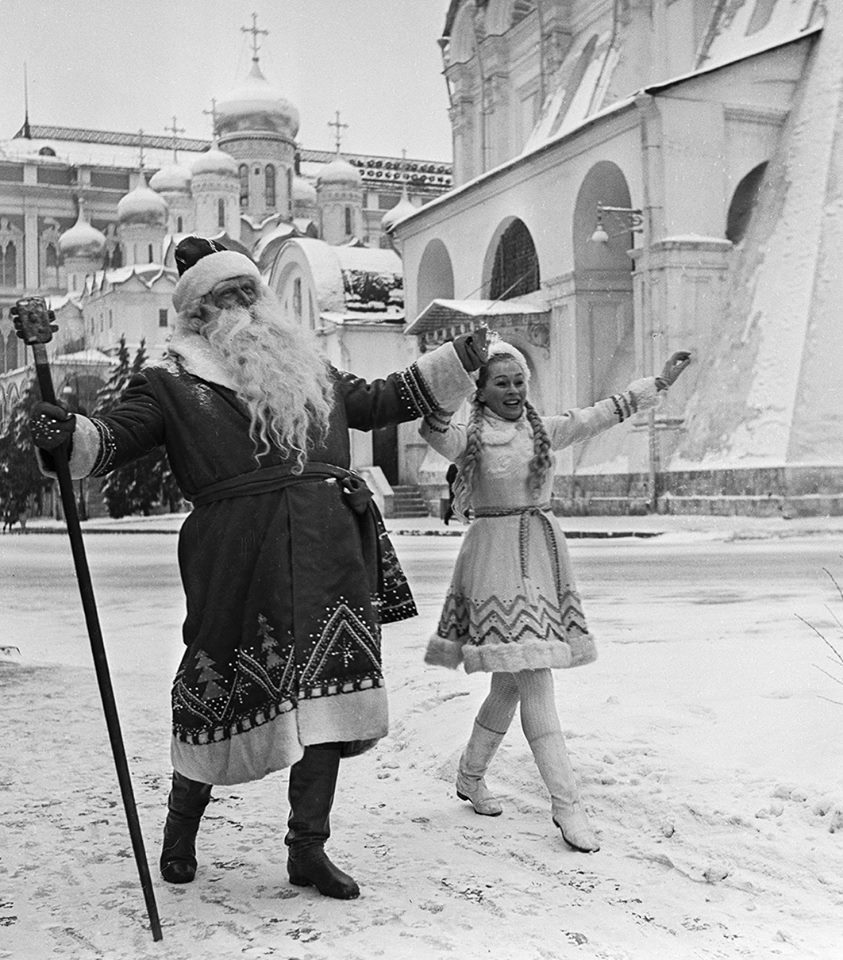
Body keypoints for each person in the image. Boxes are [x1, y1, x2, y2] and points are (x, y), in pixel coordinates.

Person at [26, 236, 483, 899]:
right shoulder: (170, 382)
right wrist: (67, 433)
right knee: (221, 682)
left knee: (330, 698)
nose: (244, 304)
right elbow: (111, 440)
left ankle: (308, 848)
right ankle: (181, 827)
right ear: (198, 312)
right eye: (226, 296)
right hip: (237, 554)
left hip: (329, 551)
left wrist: (456, 359)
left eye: (249, 291)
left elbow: (382, 399)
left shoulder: (311, 368)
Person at [420, 335, 691, 852]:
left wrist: (658, 383)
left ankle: (469, 776)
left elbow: (597, 416)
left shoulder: (542, 431)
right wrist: (459, 369)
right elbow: (430, 425)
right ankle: (567, 807)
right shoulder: (466, 438)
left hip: (542, 560)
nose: (514, 390)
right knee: (536, 680)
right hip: (495, 567)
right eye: (501, 382)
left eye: (519, 380)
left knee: (510, 684)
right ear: (480, 389)